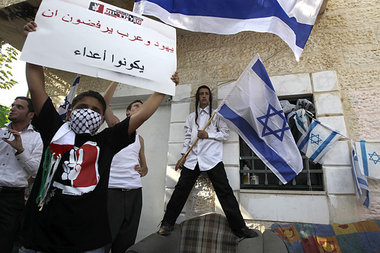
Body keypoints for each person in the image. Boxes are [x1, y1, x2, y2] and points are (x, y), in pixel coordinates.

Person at [20, 21, 179, 253]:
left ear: (102, 117)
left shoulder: (107, 141)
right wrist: (33, 44)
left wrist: (164, 86)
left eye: (96, 110)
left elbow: (142, 116)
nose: (89, 111)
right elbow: (36, 88)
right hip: (39, 237)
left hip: (87, 242)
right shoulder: (54, 129)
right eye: (83, 106)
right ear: (71, 111)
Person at [158, 85, 258, 238]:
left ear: (210, 97)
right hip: (192, 160)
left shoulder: (216, 115)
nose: (204, 96)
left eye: (206, 94)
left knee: (225, 192)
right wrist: (183, 156)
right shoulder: (191, 118)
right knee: (180, 190)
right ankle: (167, 224)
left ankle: (240, 229)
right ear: (198, 97)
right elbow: (187, 139)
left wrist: (208, 134)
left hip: (212, 159)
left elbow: (225, 134)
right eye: (201, 94)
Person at [102, 82, 148, 253]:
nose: (139, 109)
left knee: (126, 242)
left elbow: (145, 168)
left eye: (142, 107)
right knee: (105, 239)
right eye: (136, 106)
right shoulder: (115, 126)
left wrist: (142, 170)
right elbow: (104, 104)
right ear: (128, 111)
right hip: (112, 190)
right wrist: (115, 79)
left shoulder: (140, 139)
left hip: (135, 192)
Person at [0, 97, 43, 253]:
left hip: (11, 199)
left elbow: (37, 171)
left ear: (30, 114)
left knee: (4, 241)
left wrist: (21, 150)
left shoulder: (37, 139)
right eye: (13, 105)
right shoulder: (0, 133)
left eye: (19, 107)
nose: (13, 108)